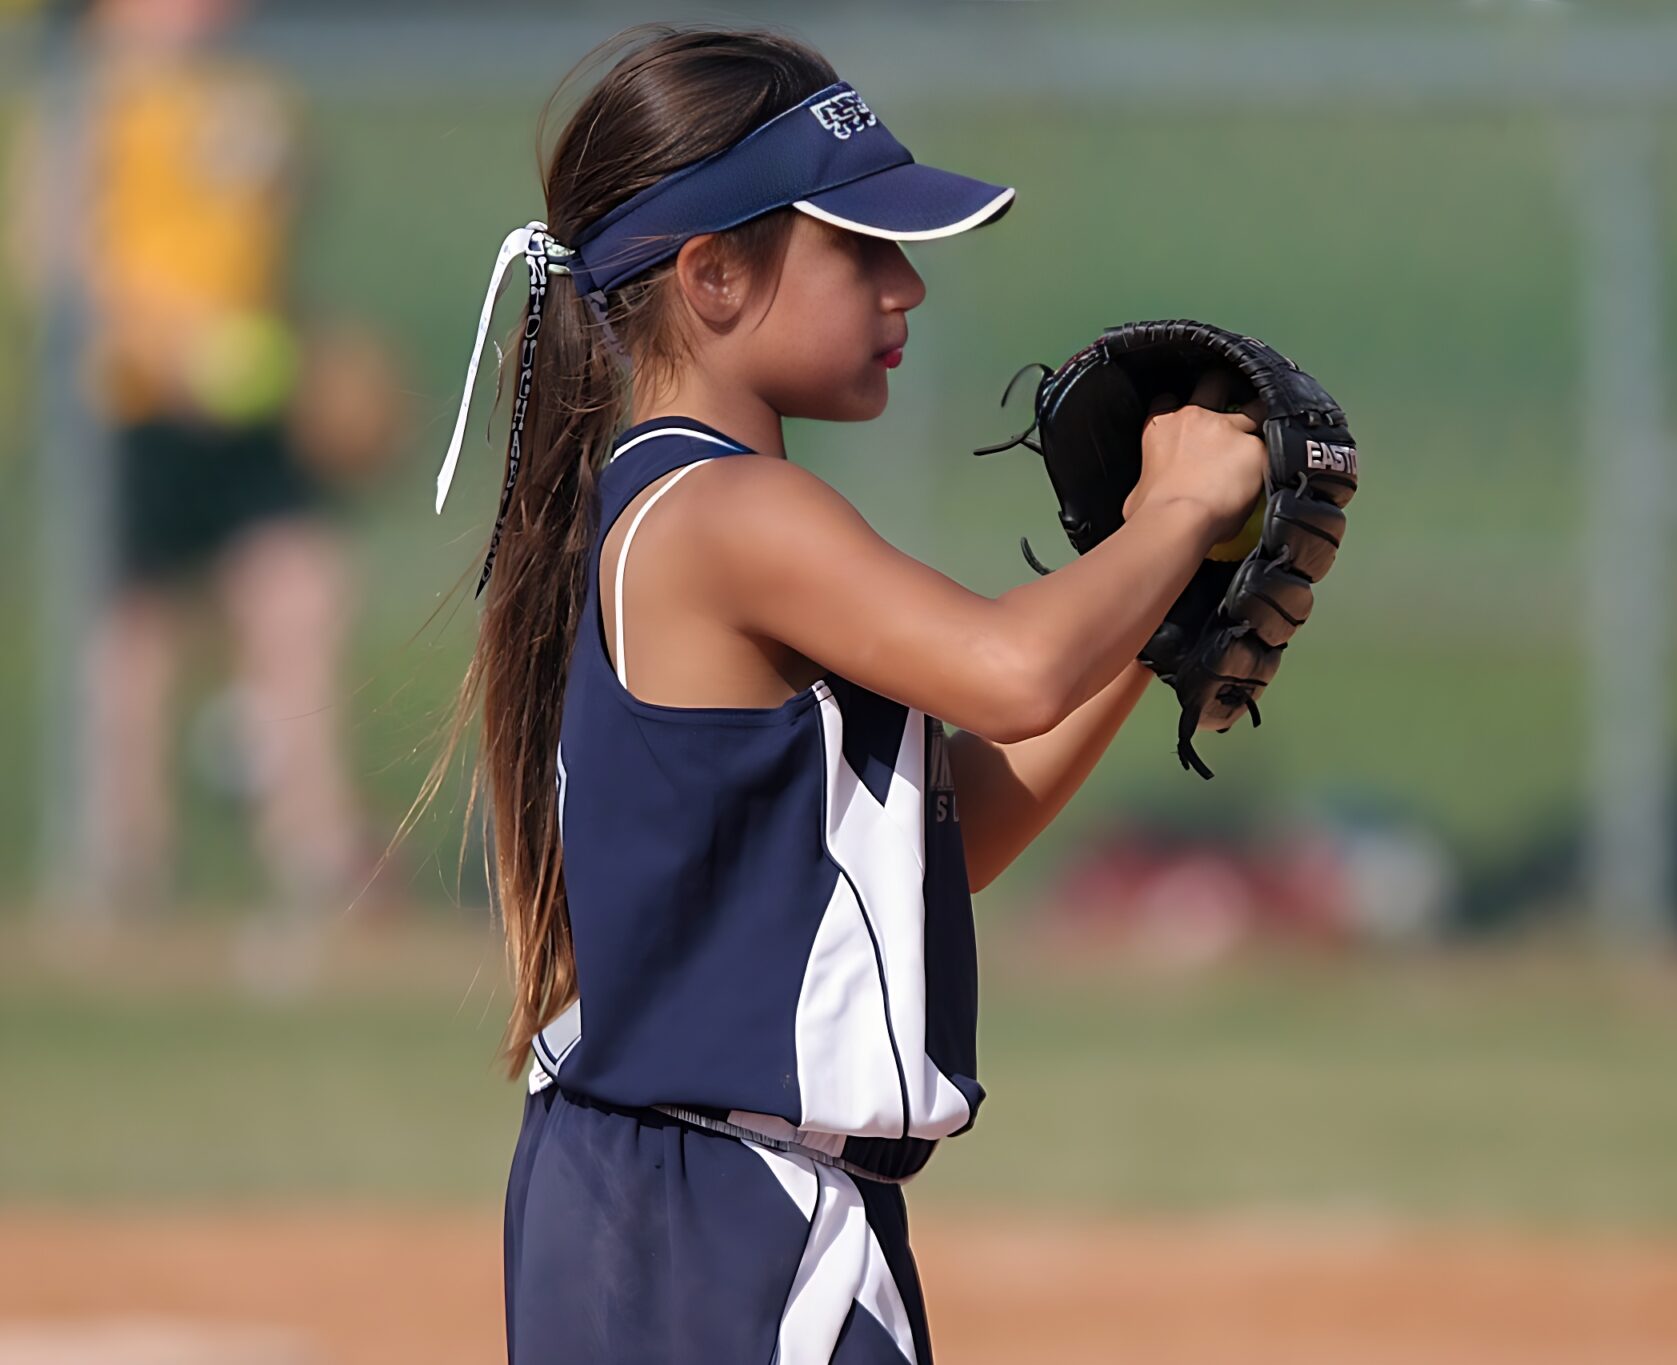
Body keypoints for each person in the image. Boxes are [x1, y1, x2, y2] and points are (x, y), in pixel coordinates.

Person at [418, 24, 1267, 1364]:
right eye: (858, 249)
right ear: (710, 276)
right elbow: (1013, 669)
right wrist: (1174, 512)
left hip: (703, 1209)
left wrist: (1155, 602)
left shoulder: (689, 505)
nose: (903, 290)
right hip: (717, 1225)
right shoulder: (728, 511)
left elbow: (954, 830)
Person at [38, 0, 375, 932]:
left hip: (248, 405)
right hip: (129, 407)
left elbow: (268, 251)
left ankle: (313, 851)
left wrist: (305, 351)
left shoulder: (250, 93)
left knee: (301, 594)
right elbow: (59, 260)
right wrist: (176, 343)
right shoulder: (87, 93)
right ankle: (122, 863)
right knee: (131, 640)